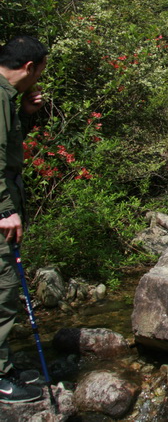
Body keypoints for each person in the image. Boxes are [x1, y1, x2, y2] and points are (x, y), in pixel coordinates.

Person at [0, 35, 47, 404]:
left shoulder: (8, 99)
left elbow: (8, 146)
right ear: (29, 68)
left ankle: (5, 366)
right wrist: (4, 209)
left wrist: (25, 116)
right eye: (40, 72)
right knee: (2, 293)